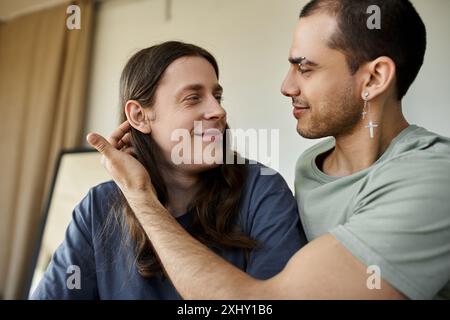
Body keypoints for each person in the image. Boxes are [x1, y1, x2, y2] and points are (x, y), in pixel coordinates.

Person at [88, 0, 450, 300]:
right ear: (138, 115)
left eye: (304, 69)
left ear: (373, 78)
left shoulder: (434, 178)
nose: (286, 86)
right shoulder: (311, 166)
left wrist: (141, 196)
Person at [31, 41, 306, 299]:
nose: (218, 111)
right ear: (140, 116)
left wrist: (141, 197)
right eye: (193, 97)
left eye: (217, 96)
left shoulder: (262, 190)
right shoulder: (98, 208)